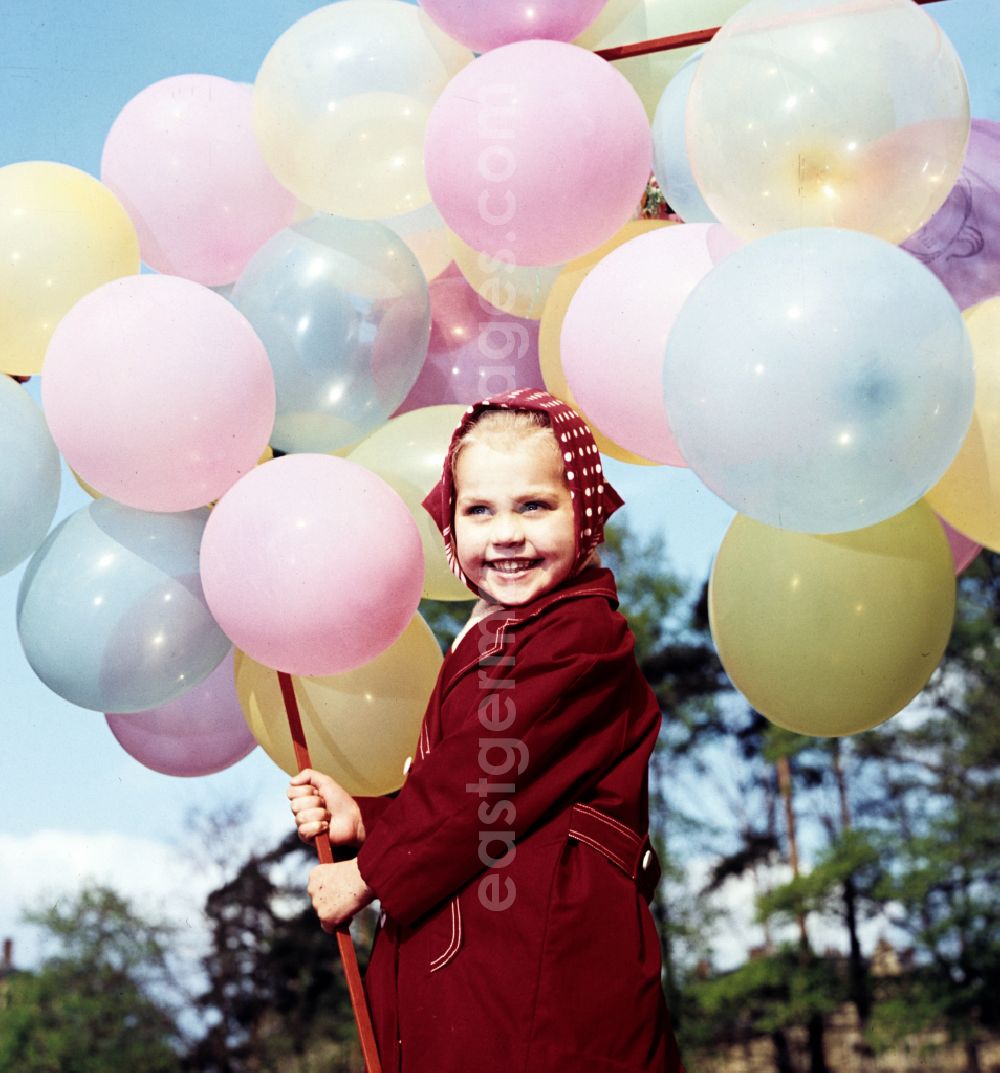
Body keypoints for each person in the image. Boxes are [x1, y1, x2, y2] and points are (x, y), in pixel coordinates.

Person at [288, 388, 686, 1073]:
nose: (506, 532)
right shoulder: (489, 636)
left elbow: (484, 773)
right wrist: (372, 819)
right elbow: (491, 803)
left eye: (534, 505)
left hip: (540, 968)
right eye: (479, 510)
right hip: (475, 956)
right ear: (450, 524)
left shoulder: (582, 636)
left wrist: (371, 874)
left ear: (584, 514)